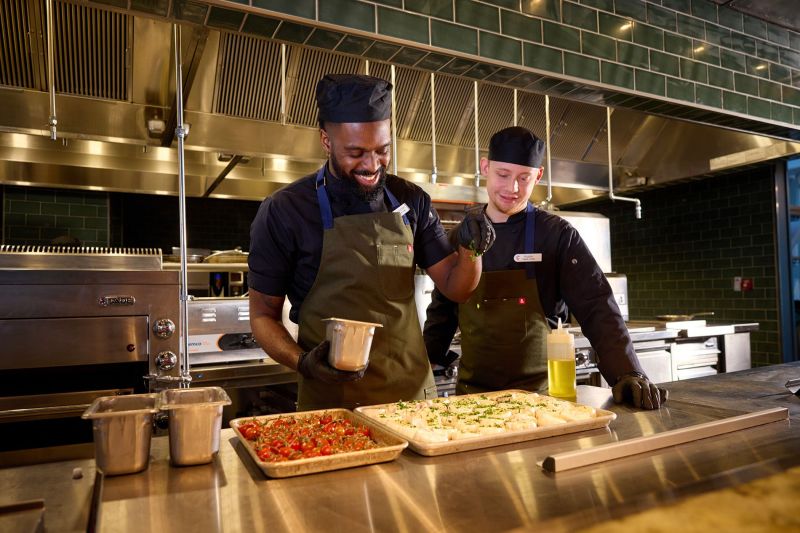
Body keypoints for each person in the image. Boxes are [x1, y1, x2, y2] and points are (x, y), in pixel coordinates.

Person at [248, 74, 495, 411]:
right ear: (326, 140)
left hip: (413, 402)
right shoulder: (285, 211)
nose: (371, 165)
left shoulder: (411, 200)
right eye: (355, 153)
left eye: (382, 150)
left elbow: (457, 287)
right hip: (333, 405)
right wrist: (302, 362)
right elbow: (263, 316)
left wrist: (472, 249)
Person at [423, 126, 667, 410]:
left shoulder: (557, 235)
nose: (512, 188)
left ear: (538, 176)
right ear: (485, 167)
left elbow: (596, 304)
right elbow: (442, 311)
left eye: (523, 178)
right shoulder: (461, 237)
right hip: (473, 402)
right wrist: (424, 363)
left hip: (544, 401)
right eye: (503, 175)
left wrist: (627, 371)